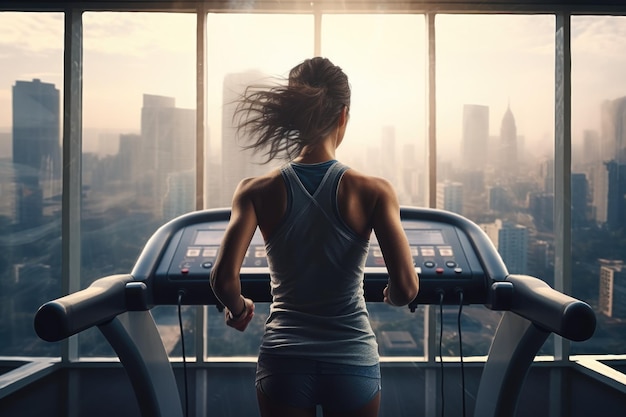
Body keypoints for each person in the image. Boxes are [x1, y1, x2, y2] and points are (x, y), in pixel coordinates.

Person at [210, 57, 419, 417]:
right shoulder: (373, 191)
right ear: (343, 116)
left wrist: (240, 308)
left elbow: (222, 279)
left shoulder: (255, 190)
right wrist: (393, 296)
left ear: (293, 117)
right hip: (351, 359)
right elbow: (407, 286)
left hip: (284, 361)